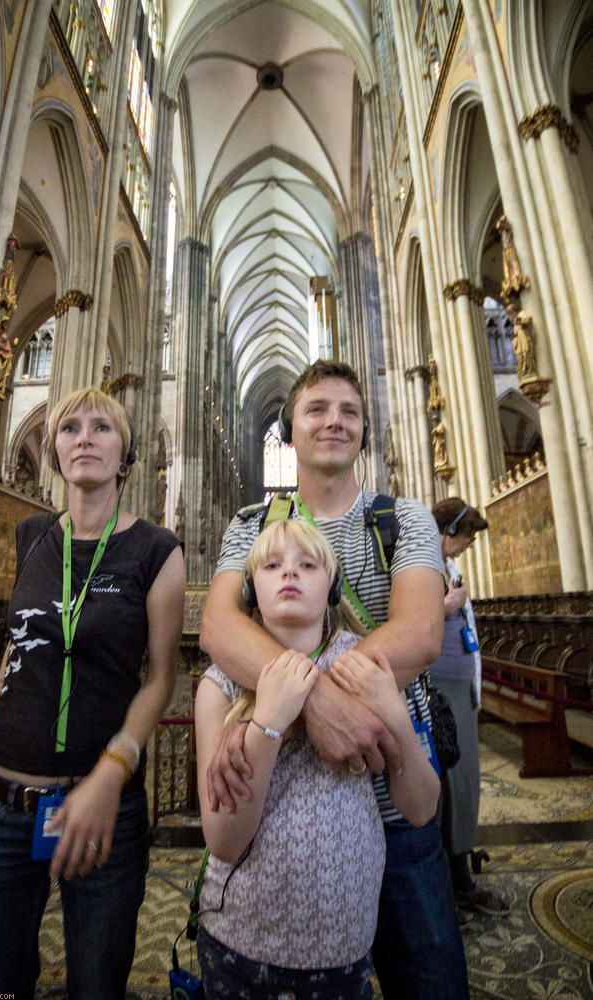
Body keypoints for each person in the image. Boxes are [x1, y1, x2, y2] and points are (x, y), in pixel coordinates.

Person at [200, 359, 470, 1000]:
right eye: (316, 409)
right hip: (282, 809)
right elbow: (217, 627)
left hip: (393, 798)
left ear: (364, 431)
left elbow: (418, 635)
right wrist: (318, 704)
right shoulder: (249, 524)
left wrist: (304, 694)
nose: (334, 421)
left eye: (349, 411)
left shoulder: (404, 519)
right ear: (289, 431)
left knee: (432, 984)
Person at [0, 387, 185, 1000]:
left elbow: (160, 676)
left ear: (126, 452)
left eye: (102, 428)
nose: (84, 437)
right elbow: (20, 638)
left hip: (100, 801)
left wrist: (113, 772)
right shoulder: (32, 535)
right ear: (56, 450)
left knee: (96, 983)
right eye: (70, 428)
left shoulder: (156, 550)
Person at [196, 519, 440, 998]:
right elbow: (224, 840)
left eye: (308, 564)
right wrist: (268, 721)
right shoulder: (220, 685)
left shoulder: (363, 668)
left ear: (331, 586)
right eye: (271, 565)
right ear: (251, 587)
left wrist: (392, 710)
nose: (290, 573)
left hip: (343, 949)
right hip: (239, 941)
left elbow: (421, 806)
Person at [430, 498, 510, 918]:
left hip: (460, 685)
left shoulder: (450, 568)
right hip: (437, 686)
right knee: (449, 783)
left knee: (463, 781)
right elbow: (403, 619)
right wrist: (445, 605)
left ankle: (457, 871)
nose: (469, 546)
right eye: (467, 537)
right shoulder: (422, 565)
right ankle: (454, 878)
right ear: (448, 531)